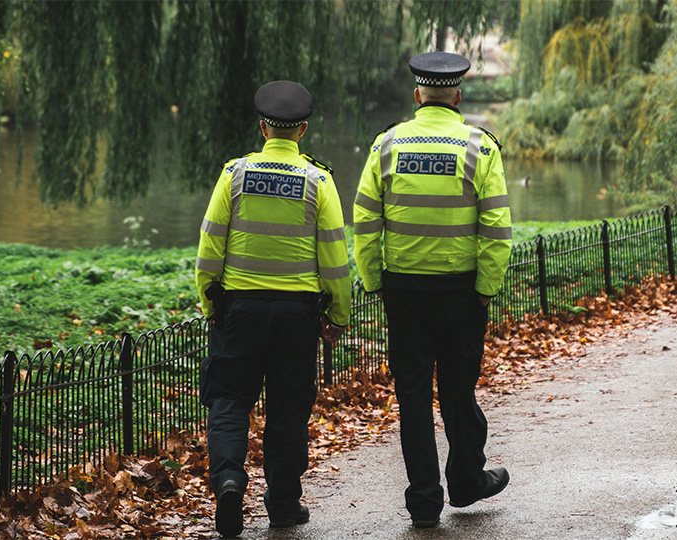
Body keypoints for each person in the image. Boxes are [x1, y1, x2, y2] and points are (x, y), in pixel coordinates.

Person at [352, 51, 513, 528]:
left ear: (417, 95)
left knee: (414, 397)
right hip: (463, 293)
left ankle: (424, 499)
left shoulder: (386, 145)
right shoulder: (480, 148)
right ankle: (466, 480)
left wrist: (374, 279)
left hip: (405, 294)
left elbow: (364, 220)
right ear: (458, 96)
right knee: (460, 391)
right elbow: (497, 227)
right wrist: (485, 288)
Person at [195, 80, 351, 538]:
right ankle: (283, 504)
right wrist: (338, 316)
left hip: (238, 310)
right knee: (287, 409)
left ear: (263, 128)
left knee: (228, 400)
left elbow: (209, 248)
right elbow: (335, 260)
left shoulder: (234, 175)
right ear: (300, 130)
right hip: (295, 317)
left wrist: (210, 303)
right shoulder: (319, 181)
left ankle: (228, 478)